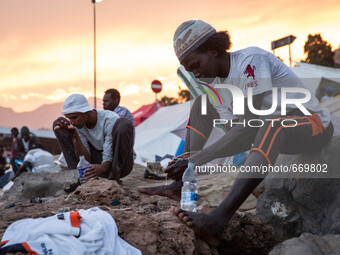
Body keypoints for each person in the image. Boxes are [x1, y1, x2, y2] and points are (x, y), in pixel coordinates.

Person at [138, 20, 334, 245]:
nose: (195, 73)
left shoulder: (250, 61)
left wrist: (194, 160)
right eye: (190, 70)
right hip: (274, 130)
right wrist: (188, 162)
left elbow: (248, 127)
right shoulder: (217, 85)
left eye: (196, 65)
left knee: (273, 125)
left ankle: (218, 220)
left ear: (212, 50)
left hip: (312, 124)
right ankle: (179, 185)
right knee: (202, 104)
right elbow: (242, 134)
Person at [53, 94, 134, 187]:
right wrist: (74, 136)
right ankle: (80, 177)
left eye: (74, 117)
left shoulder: (109, 118)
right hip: (97, 165)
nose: (72, 122)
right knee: (58, 123)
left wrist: (103, 167)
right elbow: (85, 159)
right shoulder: (78, 125)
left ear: (86, 112)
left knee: (124, 123)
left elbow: (109, 147)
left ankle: (114, 177)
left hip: (118, 164)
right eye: (69, 118)